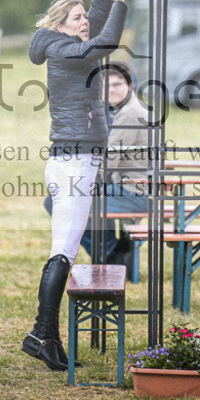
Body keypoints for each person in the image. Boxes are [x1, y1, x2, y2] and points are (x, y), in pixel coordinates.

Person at [21, 0, 126, 372]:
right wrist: (120, 4)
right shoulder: (66, 53)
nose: (87, 21)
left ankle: (44, 336)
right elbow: (106, 40)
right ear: (63, 27)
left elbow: (96, 22)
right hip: (74, 164)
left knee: (64, 250)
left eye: (85, 16)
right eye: (79, 18)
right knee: (63, 251)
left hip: (74, 161)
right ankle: (41, 335)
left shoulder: (67, 44)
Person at [43, 59, 149, 267]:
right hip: (129, 188)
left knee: (58, 202)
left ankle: (111, 253)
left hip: (135, 193)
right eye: (105, 86)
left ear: (130, 84)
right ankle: (112, 251)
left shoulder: (129, 114)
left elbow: (107, 161)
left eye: (117, 84)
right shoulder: (126, 108)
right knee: (84, 196)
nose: (111, 90)